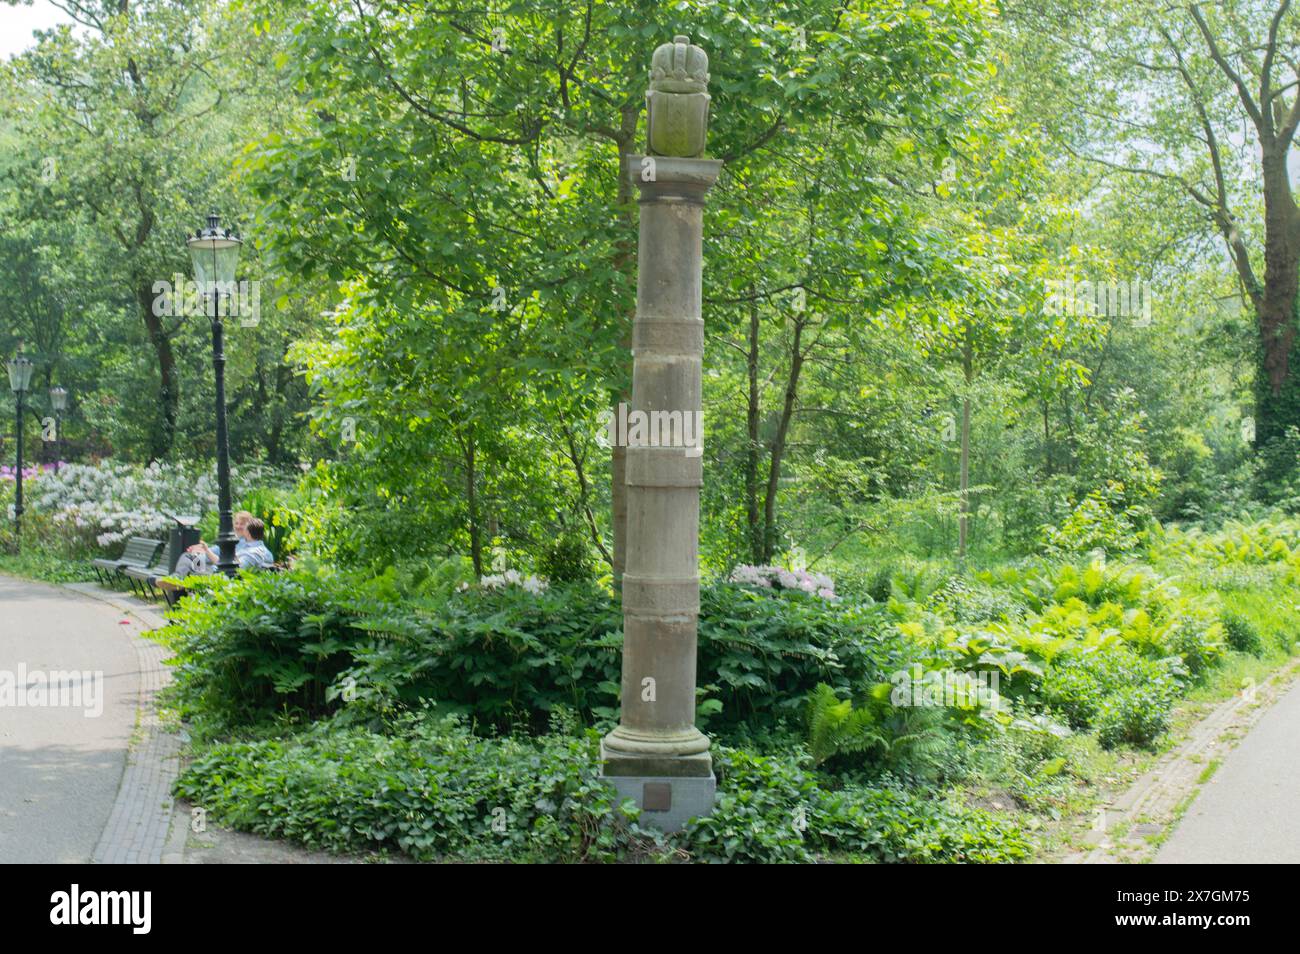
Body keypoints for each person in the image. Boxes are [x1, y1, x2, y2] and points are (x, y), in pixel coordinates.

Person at [172, 511, 275, 577]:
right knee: (190, 556)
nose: (238, 526)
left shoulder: (252, 549)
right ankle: (177, 579)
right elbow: (215, 552)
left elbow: (234, 568)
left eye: (242, 524)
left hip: (218, 575)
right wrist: (201, 551)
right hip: (216, 570)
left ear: (249, 529)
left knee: (192, 568)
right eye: (236, 523)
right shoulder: (236, 541)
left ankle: (177, 581)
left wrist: (206, 551)